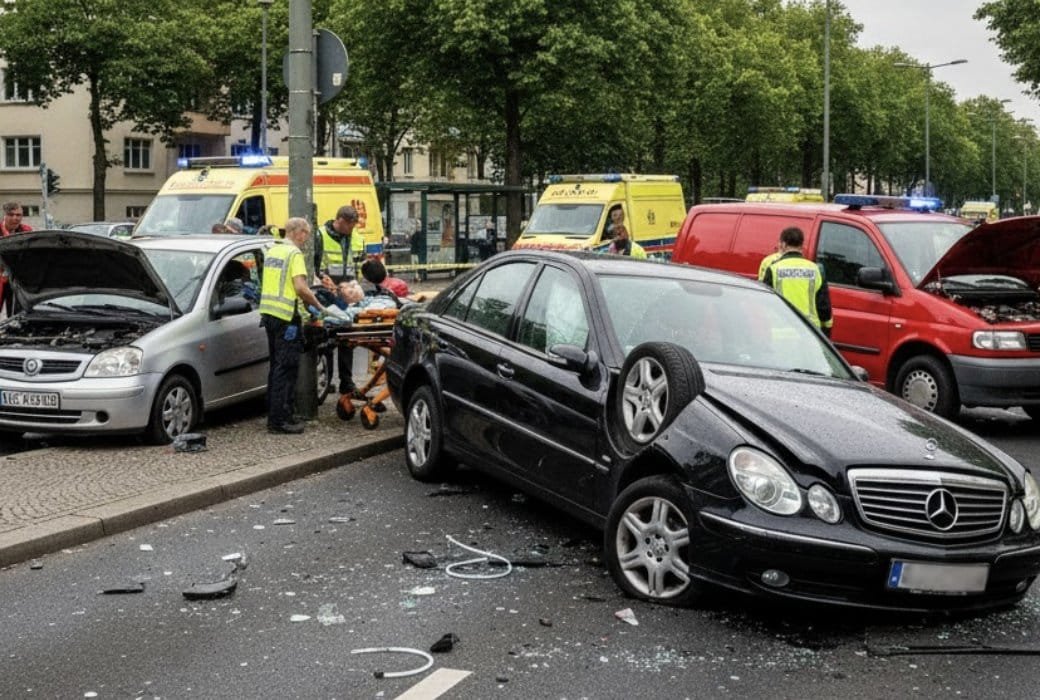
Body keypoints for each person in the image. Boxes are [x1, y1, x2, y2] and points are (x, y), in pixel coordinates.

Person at [259, 217, 327, 435]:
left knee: (275, 367)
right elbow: (300, 288)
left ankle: (277, 413)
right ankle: (279, 421)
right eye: (306, 233)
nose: (306, 238)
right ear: (298, 232)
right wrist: (318, 305)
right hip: (287, 318)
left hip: (269, 314)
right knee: (286, 369)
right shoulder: (294, 254)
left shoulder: (273, 250)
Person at [761, 226, 833, 337]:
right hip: (810, 332)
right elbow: (824, 308)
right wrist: (826, 333)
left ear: (783, 244)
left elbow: (765, 303)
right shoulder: (815, 269)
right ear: (802, 246)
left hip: (781, 334)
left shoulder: (773, 269)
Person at [318, 205, 365, 283]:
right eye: (349, 227)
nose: (351, 230)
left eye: (353, 227)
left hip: (351, 288)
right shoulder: (320, 235)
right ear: (340, 221)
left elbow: (361, 266)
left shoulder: (358, 238)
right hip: (327, 287)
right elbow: (314, 265)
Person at [1, 201, 32, 317]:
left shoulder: (26, 231)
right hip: (1, 279)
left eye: (18, 215)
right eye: (11, 214)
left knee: (16, 315)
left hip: (16, 281)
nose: (15, 218)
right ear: (5, 215)